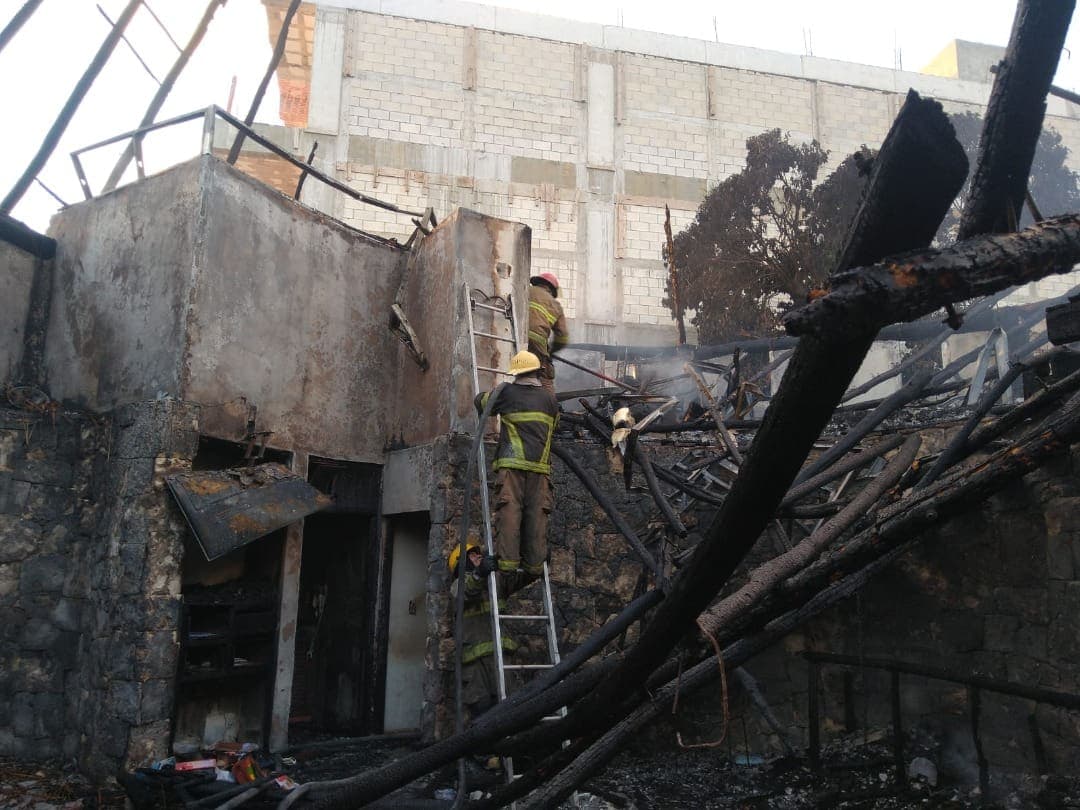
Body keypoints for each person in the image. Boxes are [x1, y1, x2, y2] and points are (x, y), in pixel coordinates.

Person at [475, 349, 559, 595]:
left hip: (512, 468)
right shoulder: (550, 400)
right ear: (537, 372)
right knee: (536, 516)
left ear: (516, 373)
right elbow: (555, 426)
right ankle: (534, 564)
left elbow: (481, 403)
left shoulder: (507, 393)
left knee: (509, 513)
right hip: (541, 472)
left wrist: (491, 392)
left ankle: (508, 563)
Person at [449, 541, 517, 726]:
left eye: (478, 554)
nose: (478, 556)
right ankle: (485, 755)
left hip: (501, 658)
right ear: (461, 565)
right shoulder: (457, 586)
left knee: (509, 706)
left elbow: (515, 579)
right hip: (475, 665)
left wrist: (533, 566)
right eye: (472, 555)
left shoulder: (494, 583)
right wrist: (479, 574)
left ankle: (509, 750)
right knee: (482, 708)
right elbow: (467, 592)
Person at [527, 273, 569, 395]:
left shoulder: (525, 289)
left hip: (515, 337)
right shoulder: (555, 305)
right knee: (545, 376)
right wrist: (550, 352)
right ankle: (550, 408)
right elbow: (562, 338)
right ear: (551, 288)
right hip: (537, 345)